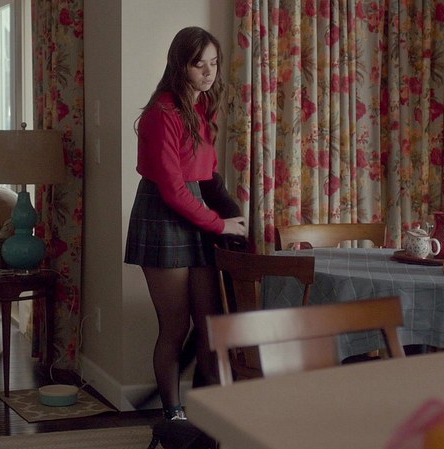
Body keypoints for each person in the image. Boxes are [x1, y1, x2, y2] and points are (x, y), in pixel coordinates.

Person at [124, 26, 247, 422]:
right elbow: (174, 190)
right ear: (180, 66)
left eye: (214, 63)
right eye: (199, 64)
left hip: (195, 216)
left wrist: (233, 216)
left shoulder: (202, 106)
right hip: (162, 216)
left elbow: (206, 175)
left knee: (209, 325)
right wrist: (221, 226)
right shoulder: (161, 113)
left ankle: (210, 414)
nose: (209, 73)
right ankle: (173, 414)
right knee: (175, 327)